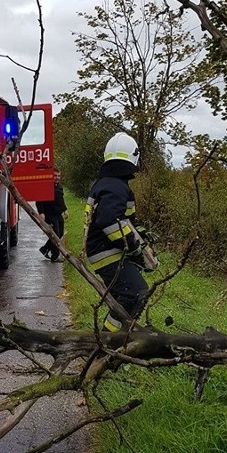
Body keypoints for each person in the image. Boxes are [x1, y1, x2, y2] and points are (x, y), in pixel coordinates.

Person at [85, 132, 153, 332]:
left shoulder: (109, 183)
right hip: (107, 253)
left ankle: (114, 339)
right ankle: (109, 341)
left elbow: (126, 220)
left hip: (104, 251)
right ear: (134, 157)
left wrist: (141, 234)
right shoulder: (115, 186)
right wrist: (134, 248)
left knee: (122, 297)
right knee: (136, 293)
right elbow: (109, 221)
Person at [37, 169, 68, 261]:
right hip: (50, 215)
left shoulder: (59, 187)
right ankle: (55, 256)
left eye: (58, 176)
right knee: (55, 235)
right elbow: (39, 200)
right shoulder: (46, 187)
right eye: (55, 176)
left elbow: (61, 200)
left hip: (58, 214)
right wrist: (41, 213)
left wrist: (65, 210)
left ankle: (45, 249)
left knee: (60, 233)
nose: (57, 178)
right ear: (51, 176)